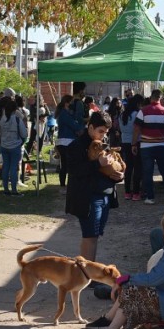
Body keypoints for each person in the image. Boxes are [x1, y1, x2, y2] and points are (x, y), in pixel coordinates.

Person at [65, 111, 123, 262]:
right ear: (90, 128)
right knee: (90, 236)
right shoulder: (76, 145)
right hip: (88, 197)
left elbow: (109, 169)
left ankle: (85, 274)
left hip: (104, 195)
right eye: (100, 131)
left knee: (94, 236)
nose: (103, 135)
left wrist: (118, 176)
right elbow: (74, 170)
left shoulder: (103, 144)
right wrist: (98, 163)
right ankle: (88, 276)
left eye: (106, 132)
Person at [132, 89, 164, 204]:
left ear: (151, 97)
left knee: (148, 172)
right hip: (162, 145)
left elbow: (136, 129)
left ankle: (150, 197)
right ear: (160, 99)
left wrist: (134, 143)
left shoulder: (143, 111)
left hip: (146, 146)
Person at [56, 83, 87, 187]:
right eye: (72, 103)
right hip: (67, 142)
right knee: (67, 165)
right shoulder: (64, 114)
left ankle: (64, 186)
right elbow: (74, 126)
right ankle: (65, 186)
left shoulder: (64, 113)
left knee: (64, 165)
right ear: (66, 104)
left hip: (63, 141)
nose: (73, 106)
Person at [0, 98, 28, 196]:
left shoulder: (2, 119)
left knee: (5, 167)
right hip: (15, 146)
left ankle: (6, 189)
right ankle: (14, 190)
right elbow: (24, 134)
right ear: (14, 110)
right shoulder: (17, 119)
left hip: (4, 145)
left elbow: (0, 132)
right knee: (13, 168)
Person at [119, 95, 143, 201]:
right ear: (138, 104)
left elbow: (120, 128)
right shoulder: (137, 114)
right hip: (136, 142)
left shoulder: (122, 115)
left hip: (125, 141)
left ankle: (127, 192)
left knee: (128, 167)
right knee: (137, 167)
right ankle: (136, 192)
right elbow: (139, 129)